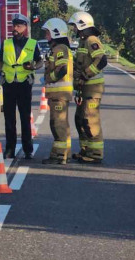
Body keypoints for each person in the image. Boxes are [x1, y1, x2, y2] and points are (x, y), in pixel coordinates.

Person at [0, 14, 42, 159]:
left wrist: (33, 66)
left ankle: (28, 149)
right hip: (9, 84)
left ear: (25, 27)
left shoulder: (32, 43)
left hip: (24, 84)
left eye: (19, 26)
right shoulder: (6, 43)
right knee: (9, 119)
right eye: (14, 25)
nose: (15, 28)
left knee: (25, 118)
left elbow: (40, 62)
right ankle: (10, 149)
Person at [68, 11, 107, 164]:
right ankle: (85, 150)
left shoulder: (91, 40)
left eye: (75, 27)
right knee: (80, 119)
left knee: (90, 120)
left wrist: (86, 74)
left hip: (93, 88)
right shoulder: (83, 42)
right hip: (84, 88)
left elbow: (101, 60)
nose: (74, 30)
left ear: (81, 25)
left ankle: (95, 153)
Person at [40, 18, 74, 164]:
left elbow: (62, 69)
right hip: (58, 94)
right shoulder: (59, 48)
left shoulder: (60, 49)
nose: (46, 36)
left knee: (58, 124)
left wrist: (49, 78)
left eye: (47, 33)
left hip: (59, 93)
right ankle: (65, 153)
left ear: (55, 33)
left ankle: (59, 156)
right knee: (61, 124)